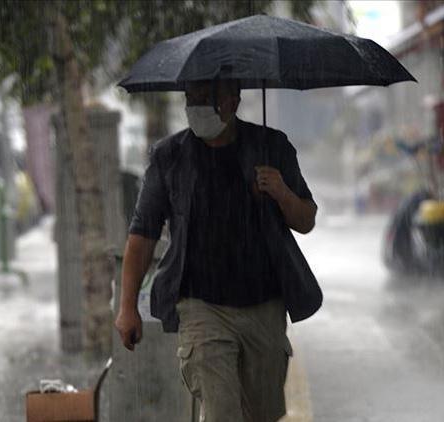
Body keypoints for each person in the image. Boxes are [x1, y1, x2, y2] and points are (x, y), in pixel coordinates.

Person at [115, 78, 322, 422]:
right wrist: (127, 308)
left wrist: (281, 192)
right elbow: (142, 233)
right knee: (222, 411)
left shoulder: (271, 147)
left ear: (233, 100)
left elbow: (306, 220)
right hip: (201, 305)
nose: (195, 106)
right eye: (190, 97)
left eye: (205, 97)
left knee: (262, 413)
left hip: (264, 305)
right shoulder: (170, 157)